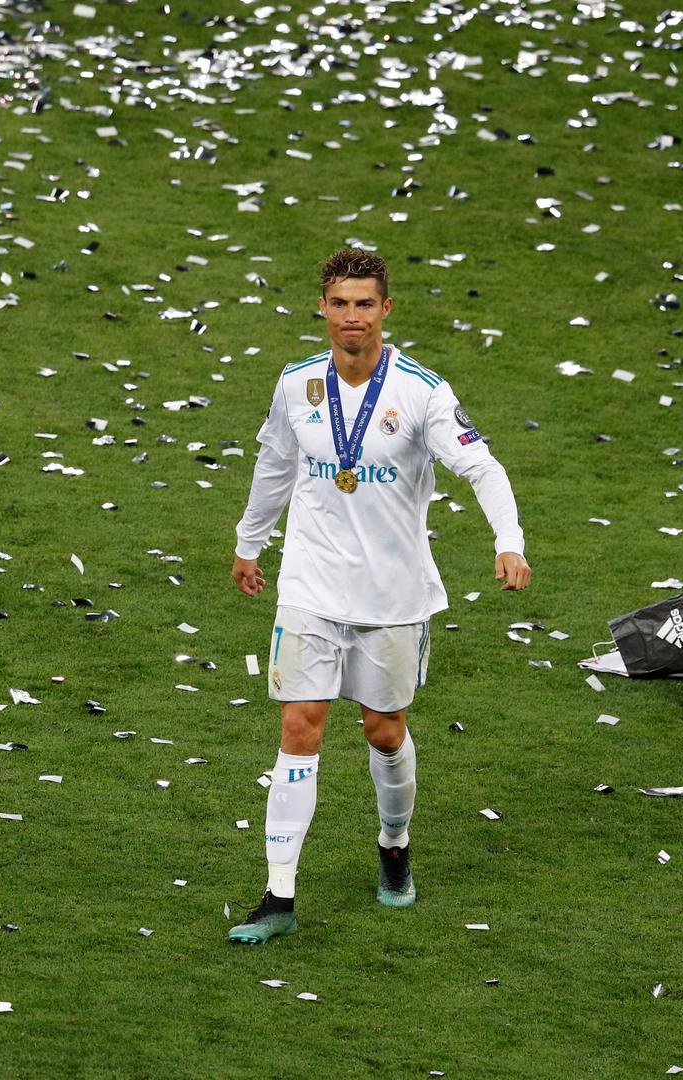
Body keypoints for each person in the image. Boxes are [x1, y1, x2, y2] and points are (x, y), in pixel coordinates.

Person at [227, 248, 531, 944]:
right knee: (299, 725)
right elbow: (274, 464)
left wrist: (508, 541)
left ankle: (394, 843)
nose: (352, 317)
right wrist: (250, 542)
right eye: (339, 303)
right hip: (309, 587)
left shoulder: (422, 392)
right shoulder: (296, 385)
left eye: (364, 304)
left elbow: (482, 468)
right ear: (322, 308)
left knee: (383, 732)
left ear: (385, 310)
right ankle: (278, 895)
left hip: (393, 598)